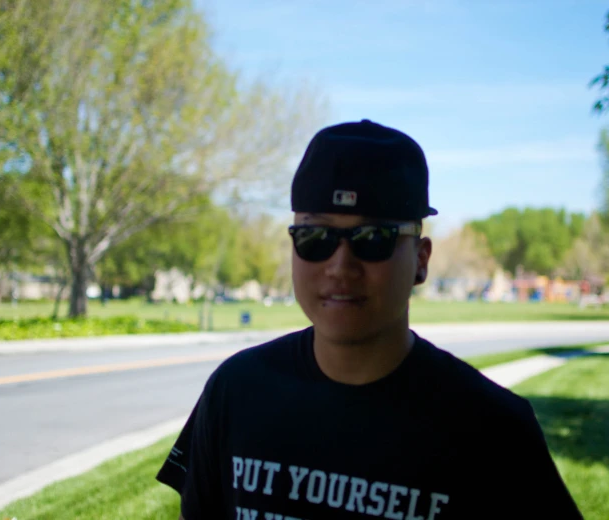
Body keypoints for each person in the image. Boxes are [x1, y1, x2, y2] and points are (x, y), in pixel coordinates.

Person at [156, 119, 583, 519]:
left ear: (421, 259)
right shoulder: (235, 392)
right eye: (315, 237)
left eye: (372, 239)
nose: (341, 266)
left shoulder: (494, 432)